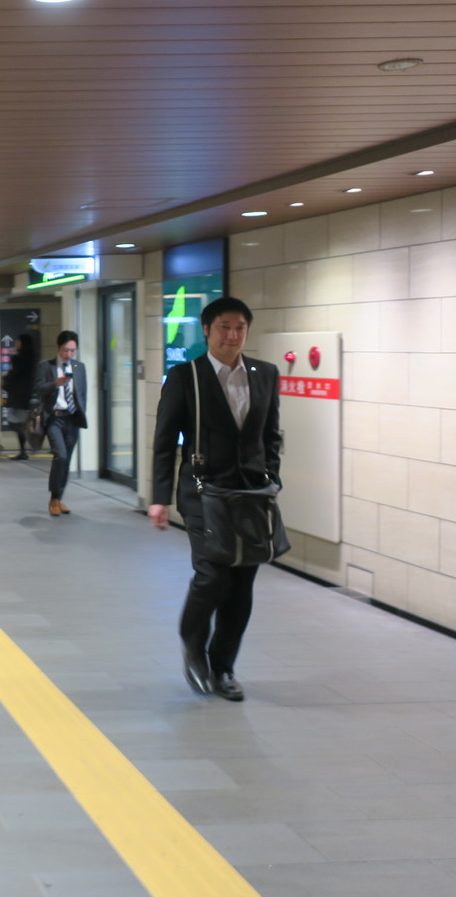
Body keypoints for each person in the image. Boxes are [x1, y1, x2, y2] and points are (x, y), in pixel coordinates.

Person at [149, 297, 280, 703]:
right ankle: (193, 643)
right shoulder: (185, 376)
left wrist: (272, 475)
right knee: (213, 575)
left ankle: (223, 667)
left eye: (240, 327)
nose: (233, 335)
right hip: (203, 492)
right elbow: (164, 441)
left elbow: (271, 434)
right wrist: (159, 497)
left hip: (251, 495)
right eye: (225, 327)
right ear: (207, 330)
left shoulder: (265, 374)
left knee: (242, 583)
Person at [33, 331, 88, 516]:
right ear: (58, 348)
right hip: (54, 418)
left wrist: (81, 413)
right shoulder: (46, 366)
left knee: (67, 460)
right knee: (60, 456)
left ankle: (58, 498)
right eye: (66, 350)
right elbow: (38, 389)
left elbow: (82, 393)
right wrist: (55, 384)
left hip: (72, 419)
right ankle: (54, 497)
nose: (69, 354)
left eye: (73, 350)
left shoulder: (79, 367)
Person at [3, 334, 39, 460]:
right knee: (19, 423)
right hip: (25, 396)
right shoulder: (32, 358)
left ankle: (27, 445)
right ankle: (24, 449)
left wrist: (14, 357)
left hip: (18, 396)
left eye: (18, 341)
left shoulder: (20, 359)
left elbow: (14, 374)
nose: (16, 343)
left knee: (15, 423)